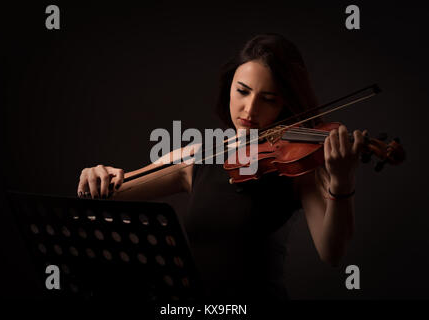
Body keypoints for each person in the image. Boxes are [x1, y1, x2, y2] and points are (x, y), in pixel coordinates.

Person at [77, 33, 366, 302]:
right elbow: (110, 193)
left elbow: (332, 253)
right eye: (242, 91)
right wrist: (98, 174)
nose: (250, 110)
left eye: (268, 99)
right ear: (229, 87)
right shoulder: (197, 156)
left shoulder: (297, 168)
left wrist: (341, 181)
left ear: (285, 105)